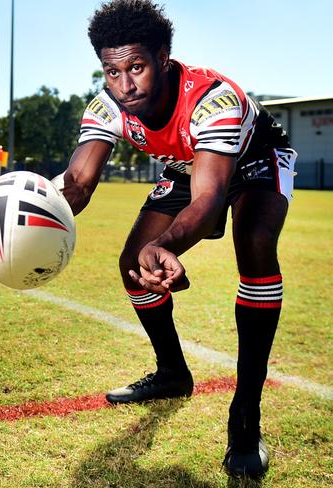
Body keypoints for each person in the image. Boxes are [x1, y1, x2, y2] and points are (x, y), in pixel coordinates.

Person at [60, 0, 296, 478]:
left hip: (254, 163)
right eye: (111, 71)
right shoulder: (107, 104)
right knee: (133, 264)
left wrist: (167, 244)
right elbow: (78, 183)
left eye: (137, 67)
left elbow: (208, 200)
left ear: (164, 56)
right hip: (191, 165)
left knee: (254, 249)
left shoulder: (213, 98)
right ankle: (172, 373)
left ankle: (245, 416)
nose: (124, 85)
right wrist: (34, 211)